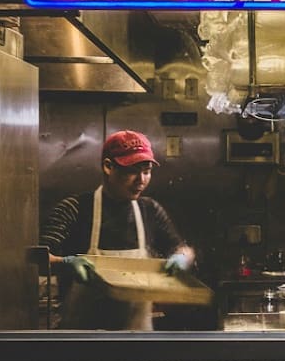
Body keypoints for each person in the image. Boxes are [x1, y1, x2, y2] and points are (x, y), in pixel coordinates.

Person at [40, 129, 195, 330]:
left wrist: (181, 258)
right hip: (81, 339)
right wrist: (66, 263)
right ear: (108, 166)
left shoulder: (150, 210)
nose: (141, 180)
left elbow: (181, 248)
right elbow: (38, 258)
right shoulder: (75, 208)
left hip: (135, 338)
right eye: (132, 171)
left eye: (146, 171)